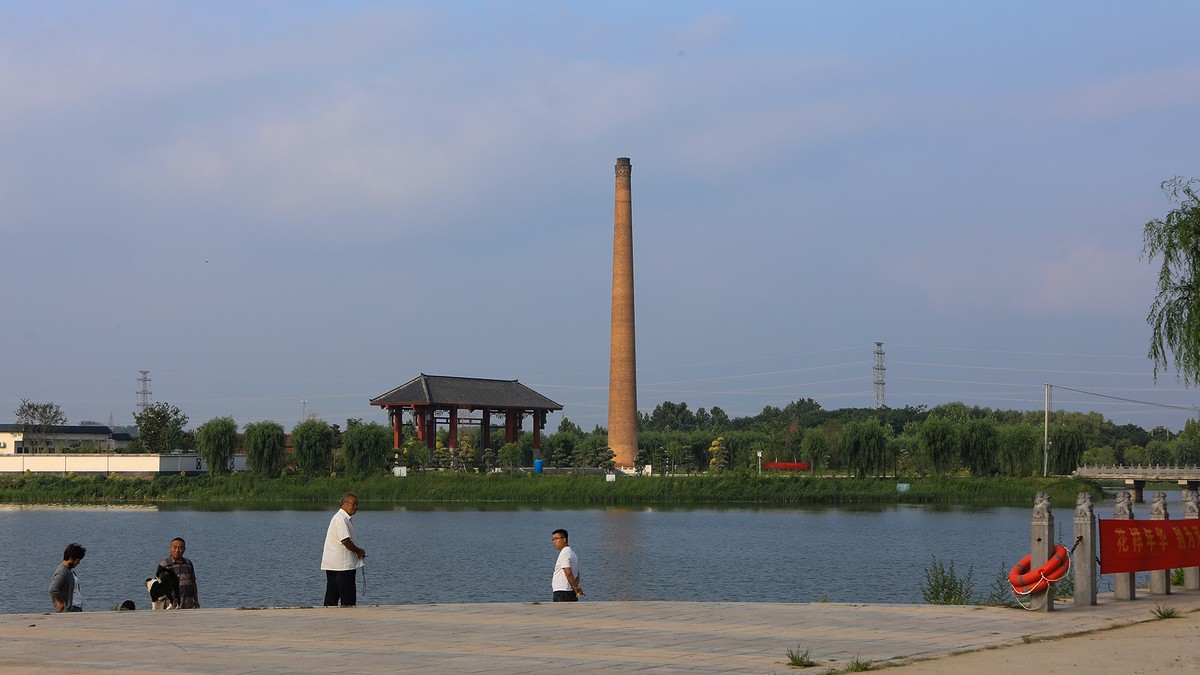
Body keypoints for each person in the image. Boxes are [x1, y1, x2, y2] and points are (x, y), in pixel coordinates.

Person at [321, 493, 366, 607]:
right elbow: (345, 540)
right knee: (348, 598)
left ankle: (330, 617)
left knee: (332, 595)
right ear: (344, 504)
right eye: (353, 504)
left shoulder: (341, 518)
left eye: (357, 505)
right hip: (343, 565)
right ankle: (348, 620)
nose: (355, 507)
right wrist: (358, 551)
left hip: (333, 564)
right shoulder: (341, 519)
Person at [158, 537, 200, 608]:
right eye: (174, 547)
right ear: (170, 548)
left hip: (188, 603)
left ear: (184, 550)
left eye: (180, 548)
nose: (177, 550)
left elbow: (193, 582)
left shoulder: (188, 563)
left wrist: (196, 600)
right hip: (171, 605)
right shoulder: (164, 565)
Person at [49, 543, 86, 612]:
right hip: (70, 609)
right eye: (78, 560)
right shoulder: (62, 572)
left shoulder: (70, 570)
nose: (79, 563)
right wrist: (60, 602)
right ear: (71, 559)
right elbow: (53, 589)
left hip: (76, 607)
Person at [551, 528, 582, 602]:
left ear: (564, 539)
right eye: (553, 539)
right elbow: (577, 574)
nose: (554, 541)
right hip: (570, 591)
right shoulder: (572, 553)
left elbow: (568, 573)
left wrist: (574, 587)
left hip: (562, 591)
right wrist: (576, 587)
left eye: (556, 539)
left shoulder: (564, 553)